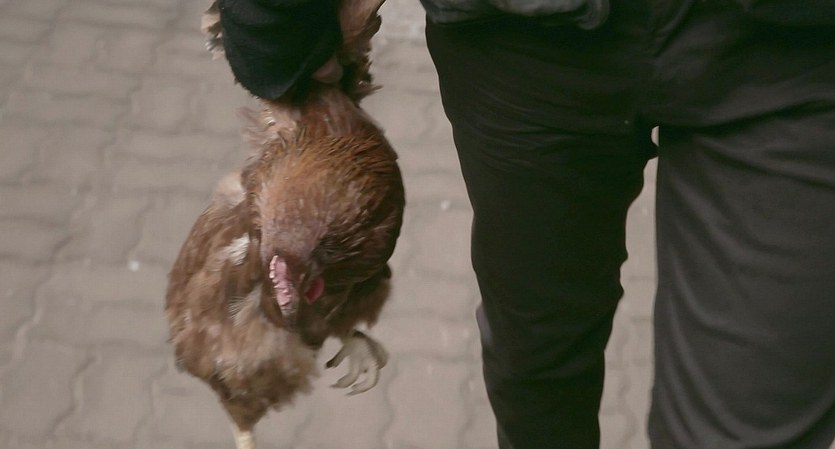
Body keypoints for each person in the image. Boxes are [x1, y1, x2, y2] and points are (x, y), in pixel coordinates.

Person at [216, 0, 835, 447]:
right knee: (539, 359)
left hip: (794, 49)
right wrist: (274, 22)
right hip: (521, 43)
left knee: (751, 421)